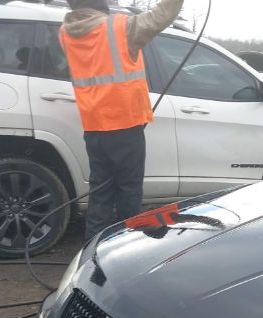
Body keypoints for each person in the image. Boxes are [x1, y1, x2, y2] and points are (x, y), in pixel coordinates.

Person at [60, 0, 184, 240]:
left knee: (100, 196)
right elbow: (161, 15)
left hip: (94, 126)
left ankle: (93, 254)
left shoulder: (65, 31)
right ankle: (128, 253)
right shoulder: (120, 28)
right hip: (124, 126)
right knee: (129, 196)